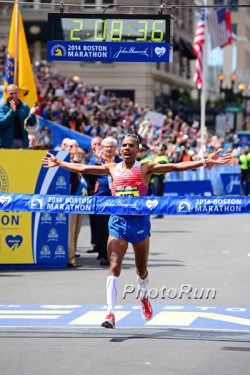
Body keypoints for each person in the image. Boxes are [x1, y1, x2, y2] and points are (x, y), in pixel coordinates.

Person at [42, 134, 231, 329]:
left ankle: (144, 295)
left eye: (131, 146)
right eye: (123, 145)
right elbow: (83, 168)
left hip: (139, 223)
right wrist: (59, 163)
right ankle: (110, 314)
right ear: (119, 150)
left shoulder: (145, 168)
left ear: (137, 151)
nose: (126, 148)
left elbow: (175, 166)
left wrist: (206, 160)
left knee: (141, 270)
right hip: (118, 222)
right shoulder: (111, 168)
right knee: (114, 265)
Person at [87, 136, 122, 266]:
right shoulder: (96, 160)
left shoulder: (120, 161)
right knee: (102, 229)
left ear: (115, 148)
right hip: (101, 199)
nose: (108, 149)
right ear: (102, 148)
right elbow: (88, 173)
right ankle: (103, 254)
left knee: (114, 229)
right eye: (106, 146)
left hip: (116, 199)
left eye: (111, 146)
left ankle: (113, 254)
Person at [0, 84, 38, 149]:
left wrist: (32, 115)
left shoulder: (25, 106)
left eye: (15, 93)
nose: (14, 95)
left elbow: (31, 124)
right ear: (6, 94)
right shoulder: (2, 107)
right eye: (11, 93)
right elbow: (2, 123)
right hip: (7, 143)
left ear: (18, 93)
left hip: (23, 142)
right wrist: (12, 111)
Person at [153, 144, 169, 218]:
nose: (159, 151)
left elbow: (161, 166)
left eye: (161, 149)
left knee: (159, 195)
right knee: (157, 195)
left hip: (160, 177)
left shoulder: (164, 157)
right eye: (159, 149)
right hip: (155, 177)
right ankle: (159, 212)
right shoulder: (156, 157)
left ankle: (160, 212)